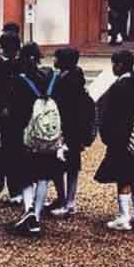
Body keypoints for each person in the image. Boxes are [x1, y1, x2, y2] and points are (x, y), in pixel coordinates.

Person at [8, 42, 63, 238]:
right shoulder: (50, 78)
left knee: (25, 177)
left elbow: (15, 110)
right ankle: (37, 215)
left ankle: (28, 210)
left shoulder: (20, 80)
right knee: (43, 176)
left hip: (28, 135)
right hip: (48, 135)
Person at [95, 48, 134, 231]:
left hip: (121, 137)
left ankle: (124, 217)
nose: (113, 68)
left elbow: (109, 113)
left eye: (114, 64)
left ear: (120, 65)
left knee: (123, 177)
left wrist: (106, 133)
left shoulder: (118, 87)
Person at [49, 46, 92, 216]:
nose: (54, 61)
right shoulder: (74, 78)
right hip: (72, 128)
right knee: (68, 165)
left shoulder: (67, 82)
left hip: (68, 128)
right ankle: (66, 199)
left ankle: (68, 201)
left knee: (64, 166)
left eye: (57, 58)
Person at [0, 29, 22, 201]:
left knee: (13, 152)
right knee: (7, 150)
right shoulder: (4, 66)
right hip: (6, 116)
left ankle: (13, 187)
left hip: (15, 113)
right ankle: (6, 179)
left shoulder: (16, 65)